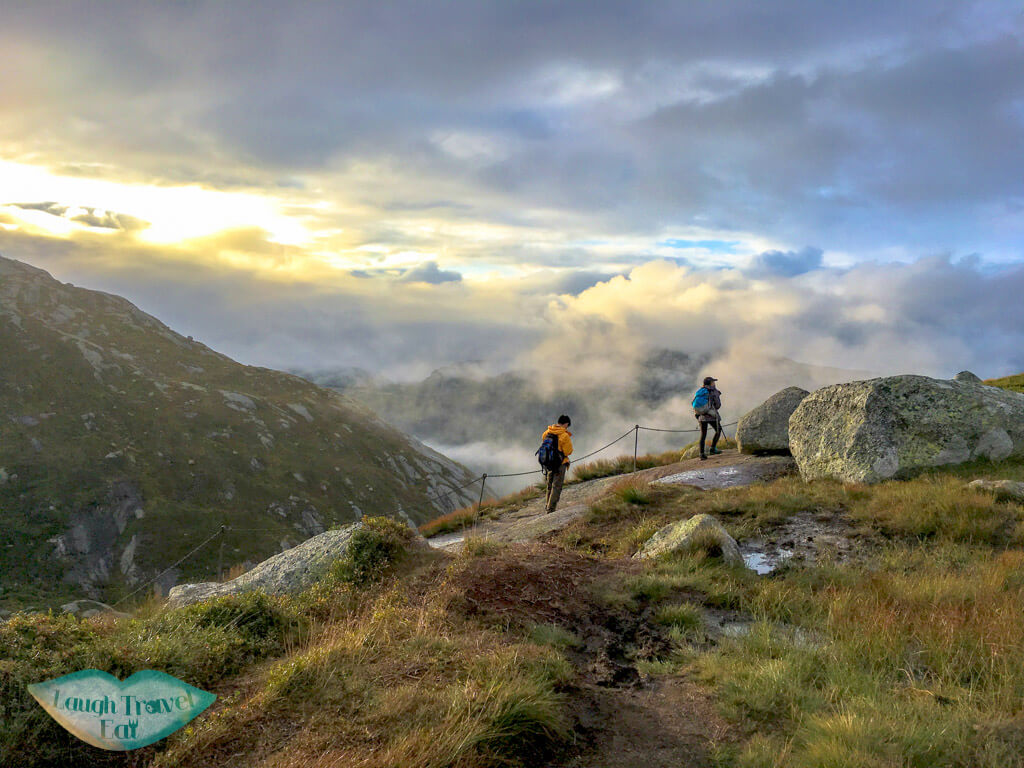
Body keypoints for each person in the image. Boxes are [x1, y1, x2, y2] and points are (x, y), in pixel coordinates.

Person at [541, 415, 573, 513]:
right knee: (556, 486)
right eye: (567, 426)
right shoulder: (564, 435)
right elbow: (568, 451)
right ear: (566, 424)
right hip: (560, 463)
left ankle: (547, 505)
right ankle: (551, 509)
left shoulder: (547, 432)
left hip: (548, 463)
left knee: (549, 485)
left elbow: (544, 443)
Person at [695, 376, 723, 461]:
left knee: (703, 435)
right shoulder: (713, 391)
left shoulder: (700, 391)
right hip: (711, 416)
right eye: (713, 382)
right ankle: (713, 449)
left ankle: (701, 454)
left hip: (701, 416)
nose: (714, 383)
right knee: (718, 430)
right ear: (710, 383)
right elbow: (718, 405)